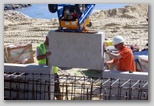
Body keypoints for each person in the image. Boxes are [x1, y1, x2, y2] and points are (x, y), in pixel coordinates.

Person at [36, 34, 62, 100]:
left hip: (54, 73)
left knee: (57, 92)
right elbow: (38, 58)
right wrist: (46, 55)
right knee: (46, 92)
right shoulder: (40, 47)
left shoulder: (54, 47)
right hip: (44, 73)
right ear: (46, 38)